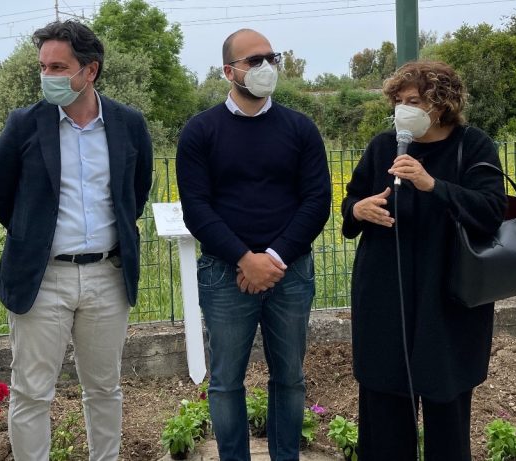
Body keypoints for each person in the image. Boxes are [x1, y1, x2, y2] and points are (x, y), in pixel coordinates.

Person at [0, 20, 153, 461]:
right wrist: (36, 237)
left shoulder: (128, 124)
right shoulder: (24, 124)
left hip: (107, 278)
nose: (48, 76)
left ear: (90, 70)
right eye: (43, 67)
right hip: (43, 280)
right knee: (31, 393)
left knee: (104, 388)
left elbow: (135, 194)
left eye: (59, 67)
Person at [176, 28, 331, 461]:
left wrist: (274, 258)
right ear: (229, 71)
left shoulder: (300, 129)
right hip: (226, 274)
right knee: (226, 382)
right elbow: (198, 209)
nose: (266, 67)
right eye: (254, 60)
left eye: (271, 57)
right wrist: (246, 258)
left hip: (291, 272)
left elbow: (317, 200)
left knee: (291, 378)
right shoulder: (200, 132)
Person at [341, 61, 507, 460]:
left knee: (446, 411)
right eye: (398, 101)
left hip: (447, 301)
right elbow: (350, 205)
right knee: (383, 411)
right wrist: (358, 210)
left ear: (442, 102)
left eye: (413, 100)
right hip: (385, 297)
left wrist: (432, 185)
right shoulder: (384, 146)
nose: (403, 109)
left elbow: (491, 211)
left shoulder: (474, 145)